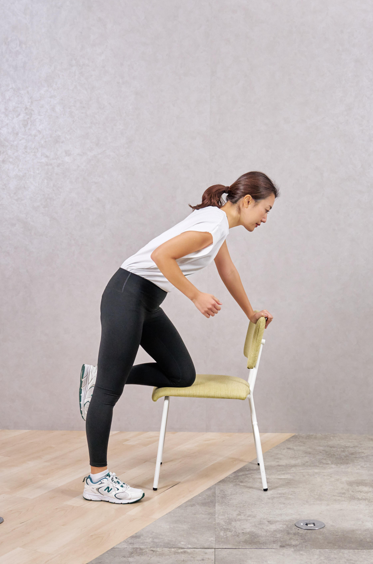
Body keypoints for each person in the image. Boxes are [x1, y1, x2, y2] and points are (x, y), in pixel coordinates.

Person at [79, 171, 278, 504]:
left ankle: (99, 378)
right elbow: (161, 255)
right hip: (127, 295)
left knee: (181, 375)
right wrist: (195, 295)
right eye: (266, 209)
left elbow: (227, 270)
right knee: (108, 394)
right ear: (247, 201)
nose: (266, 218)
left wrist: (250, 312)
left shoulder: (218, 223)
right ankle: (96, 479)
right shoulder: (213, 224)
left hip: (146, 300)